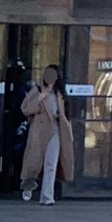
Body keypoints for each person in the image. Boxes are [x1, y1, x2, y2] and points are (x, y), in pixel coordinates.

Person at [21, 64, 74, 205]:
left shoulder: (60, 93)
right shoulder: (37, 90)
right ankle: (27, 185)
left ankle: (47, 197)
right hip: (39, 130)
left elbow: (64, 114)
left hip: (56, 130)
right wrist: (39, 98)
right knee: (33, 162)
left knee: (51, 164)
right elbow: (25, 109)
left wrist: (67, 129)